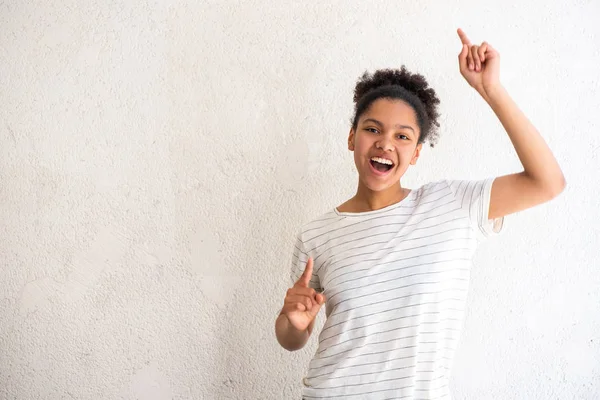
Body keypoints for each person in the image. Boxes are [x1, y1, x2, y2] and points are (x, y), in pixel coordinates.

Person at [274, 28, 566, 399]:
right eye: (372, 129)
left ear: (415, 154)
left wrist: (490, 89)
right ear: (352, 138)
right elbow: (291, 339)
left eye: (402, 136)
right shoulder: (316, 235)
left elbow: (547, 182)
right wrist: (293, 322)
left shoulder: (452, 205)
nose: (384, 143)